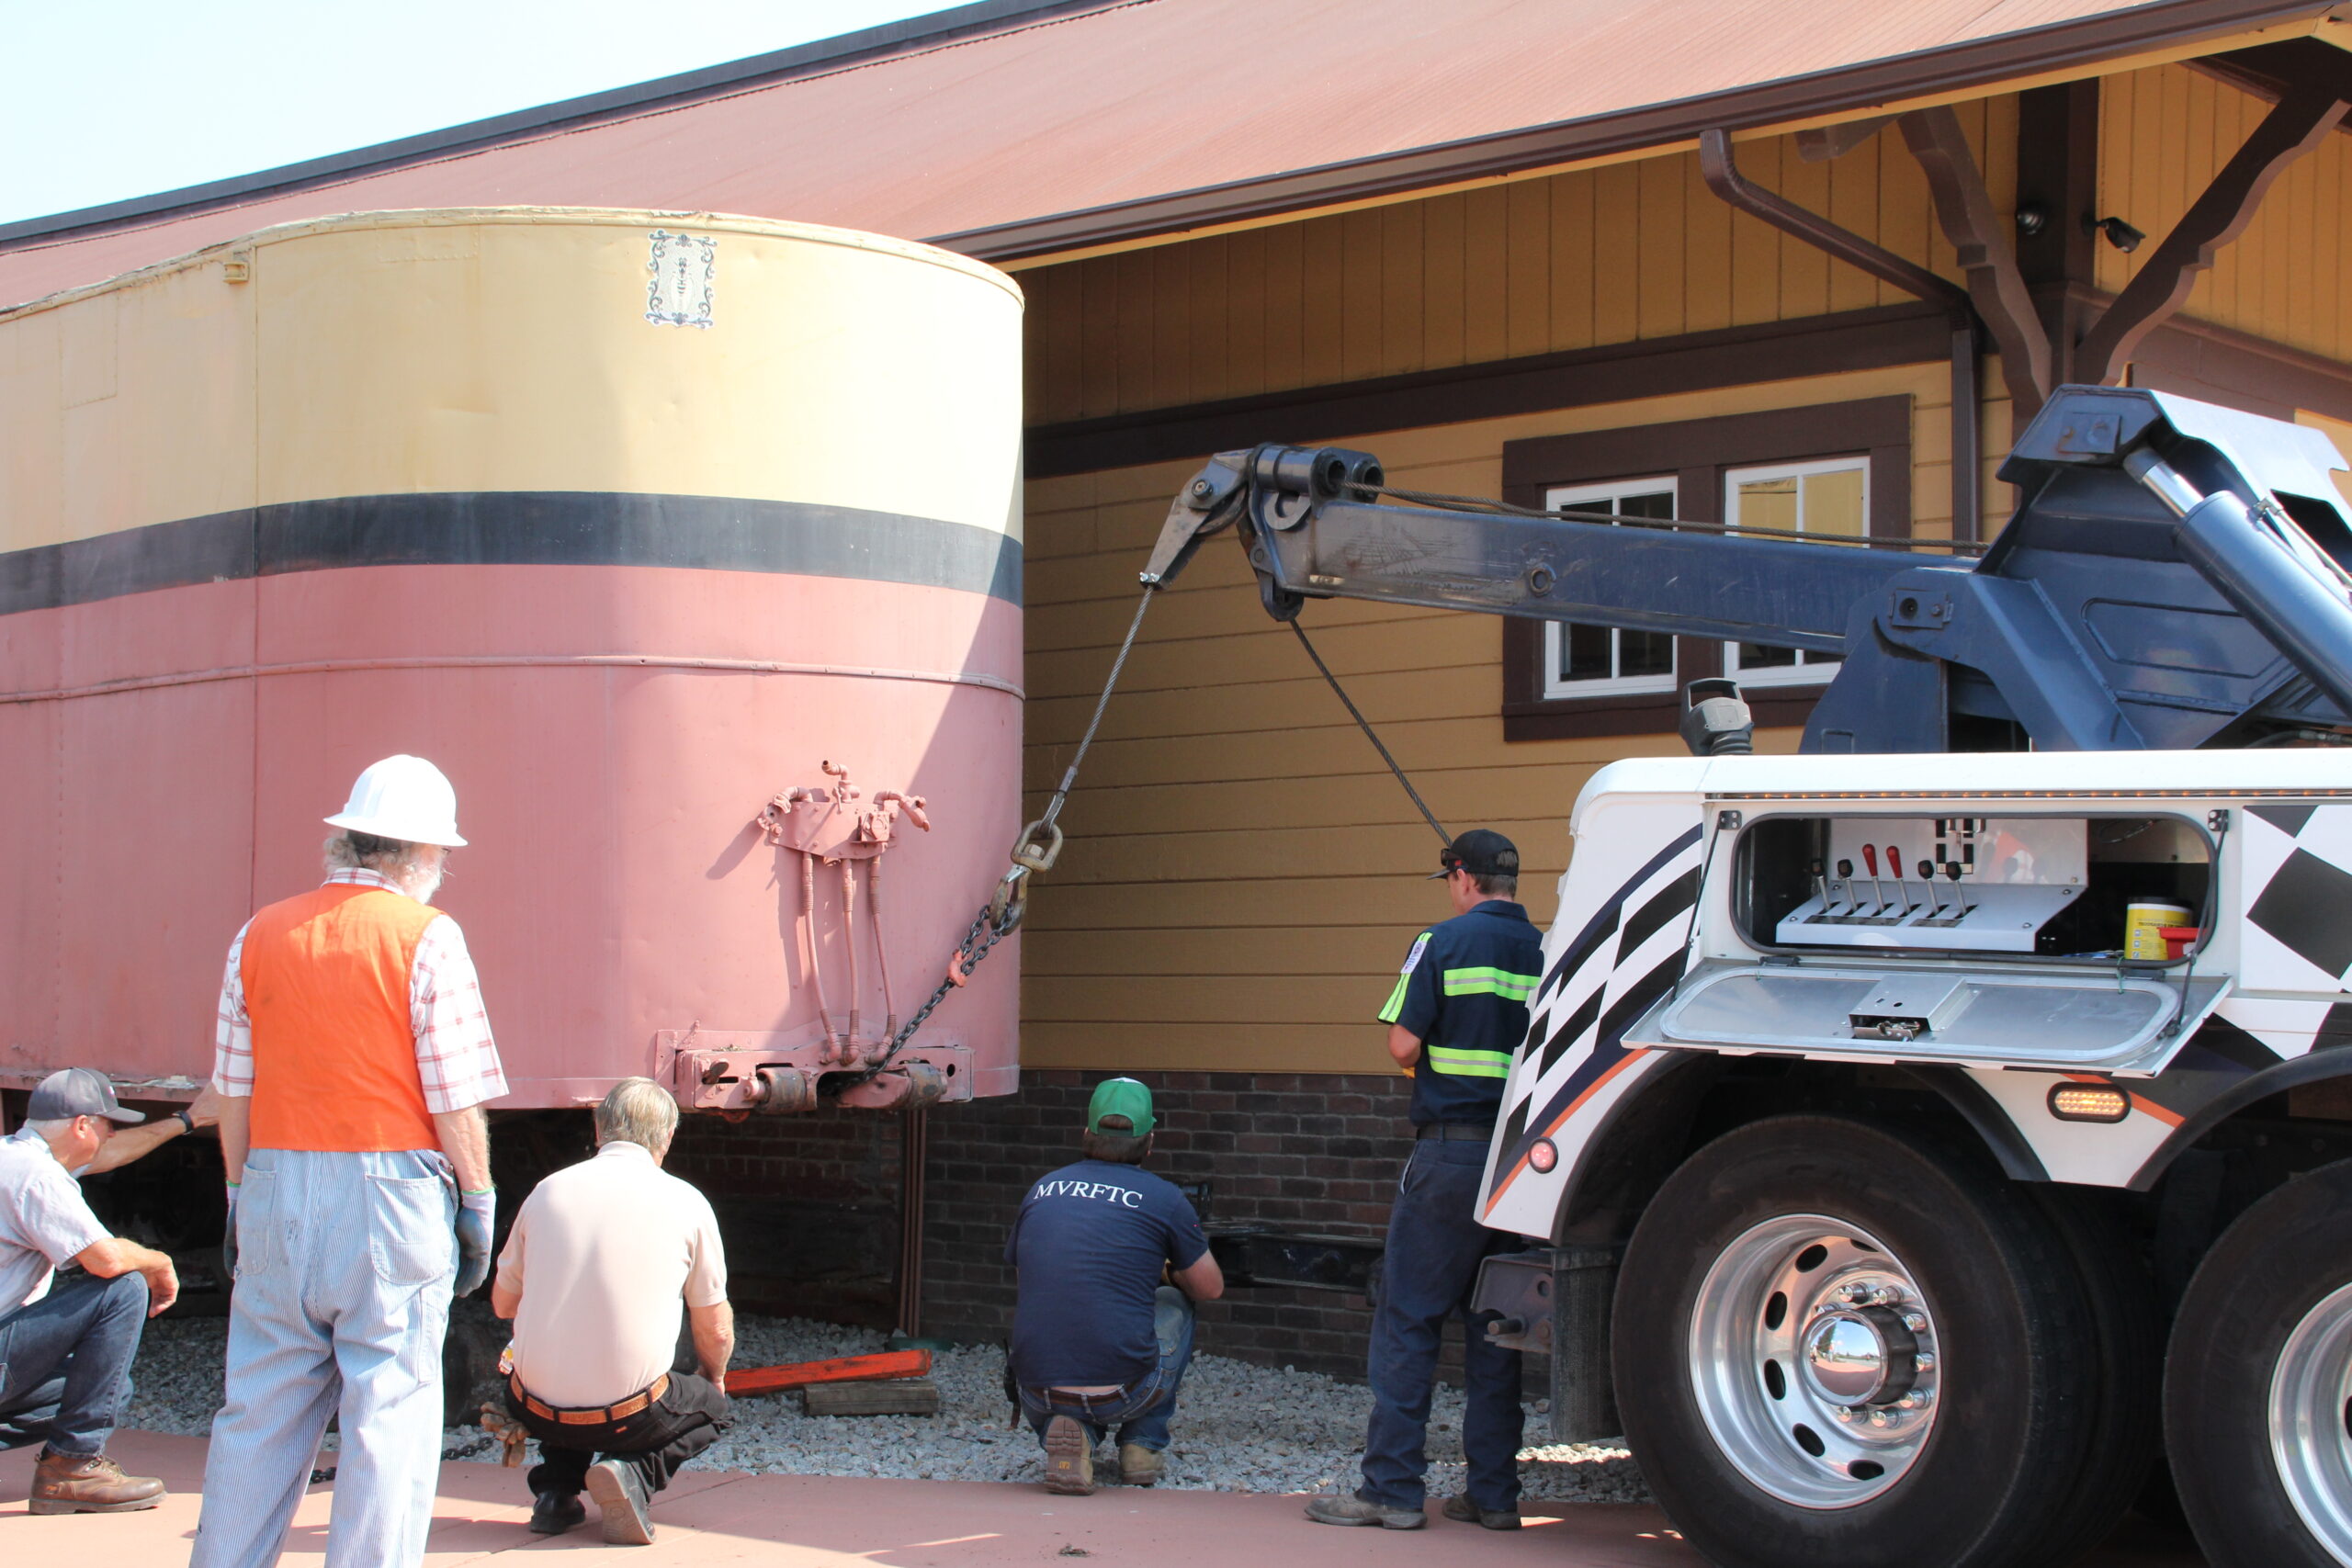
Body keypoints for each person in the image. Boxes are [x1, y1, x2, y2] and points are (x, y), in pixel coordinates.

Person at [191, 754, 509, 1568]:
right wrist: (477, 1200)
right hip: (390, 1195)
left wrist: (237, 1194)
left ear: (349, 840)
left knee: (257, 1411)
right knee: (389, 1415)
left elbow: (233, 1090)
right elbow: (453, 1096)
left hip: (272, 1183)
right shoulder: (428, 937)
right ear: (418, 855)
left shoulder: (257, 933)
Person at [1307, 829, 1542, 1532]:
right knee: (1498, 1328)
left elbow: (1403, 1043)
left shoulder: (1438, 942)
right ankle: (1495, 1495)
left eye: (1449, 878)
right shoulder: (1550, 951)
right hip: (1523, 1165)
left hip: (1449, 1155)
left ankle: (1392, 1490)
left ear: (1463, 876)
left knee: (1408, 1320)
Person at [492, 1077, 733, 1546]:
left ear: (599, 1130)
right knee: (715, 1411)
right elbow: (716, 1328)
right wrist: (712, 1377)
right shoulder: (687, 1202)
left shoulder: (546, 1192)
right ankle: (631, 1475)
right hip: (630, 1414)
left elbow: (503, 1304)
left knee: (568, 1368)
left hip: (533, 1403)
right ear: (667, 1138)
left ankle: (556, 1495)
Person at [1005, 1077, 1223, 1496]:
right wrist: (1166, 1273)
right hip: (1124, 1393)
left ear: (1086, 1134)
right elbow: (1210, 1287)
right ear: (1150, 1141)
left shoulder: (1042, 1189)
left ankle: (1070, 1431)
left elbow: (1027, 1279)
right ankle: (1143, 1444)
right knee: (1179, 1298)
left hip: (1034, 1389)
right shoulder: (1165, 1198)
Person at [0, 1068, 190, 1512]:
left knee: (106, 1391)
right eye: (108, 1124)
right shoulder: (37, 1176)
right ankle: (72, 1467)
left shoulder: (10, 1157)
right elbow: (106, 1260)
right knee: (122, 1287)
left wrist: (188, 1120)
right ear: (82, 1125)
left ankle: (71, 1460)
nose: (110, 1136)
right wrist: (160, 1260)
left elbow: (105, 1158)